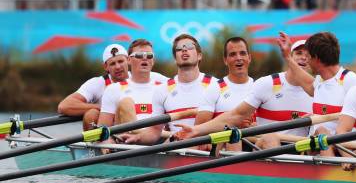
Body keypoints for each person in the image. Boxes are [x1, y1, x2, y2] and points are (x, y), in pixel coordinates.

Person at [175, 37, 313, 150]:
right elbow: (231, 118)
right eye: (233, 54)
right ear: (225, 60)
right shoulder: (217, 87)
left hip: (297, 149)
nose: (238, 58)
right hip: (236, 146)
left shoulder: (318, 89)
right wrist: (197, 131)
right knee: (232, 134)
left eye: (242, 53)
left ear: (249, 58)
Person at [118, 34, 221, 145]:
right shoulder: (162, 90)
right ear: (175, 58)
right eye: (179, 49)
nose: (184, 50)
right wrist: (138, 138)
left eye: (190, 47)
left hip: (207, 152)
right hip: (175, 151)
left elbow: (224, 125)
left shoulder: (216, 85)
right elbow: (154, 132)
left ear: (199, 55)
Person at [57, 44, 130, 130]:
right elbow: (64, 106)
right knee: (91, 114)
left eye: (121, 61)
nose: (118, 67)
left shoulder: (140, 80)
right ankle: (94, 141)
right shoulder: (97, 83)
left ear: (128, 60)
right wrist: (104, 108)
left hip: (135, 128)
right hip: (107, 130)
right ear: (106, 67)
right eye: (113, 64)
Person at [97, 39, 163, 131]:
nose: (144, 58)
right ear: (128, 60)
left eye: (149, 55)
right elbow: (103, 133)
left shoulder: (165, 87)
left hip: (162, 143)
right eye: (139, 55)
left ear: (153, 60)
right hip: (127, 144)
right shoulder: (113, 89)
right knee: (126, 103)